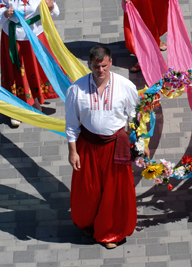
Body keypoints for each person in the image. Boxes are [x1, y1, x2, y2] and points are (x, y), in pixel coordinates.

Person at [66, 46, 139, 249]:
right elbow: (71, 124)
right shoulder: (76, 89)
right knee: (89, 190)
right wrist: (72, 151)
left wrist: (140, 142)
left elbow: (136, 116)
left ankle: (110, 232)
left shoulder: (125, 86)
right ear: (90, 65)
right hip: (88, 145)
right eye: (97, 66)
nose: (101, 70)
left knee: (114, 192)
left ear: (111, 62)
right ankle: (89, 223)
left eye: (104, 65)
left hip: (116, 145)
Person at [0, 0, 60, 127]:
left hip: (35, 36)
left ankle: (37, 101)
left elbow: (55, 10)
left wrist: (51, 6)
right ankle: (18, 108)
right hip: (14, 38)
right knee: (17, 71)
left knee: (35, 69)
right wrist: (6, 14)